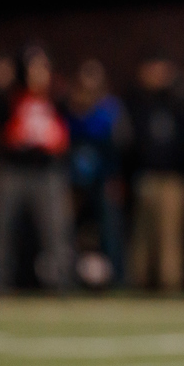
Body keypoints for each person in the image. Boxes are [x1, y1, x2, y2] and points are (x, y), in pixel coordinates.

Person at [0, 43, 74, 293]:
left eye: (42, 65)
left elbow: (70, 119)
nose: (37, 71)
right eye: (32, 66)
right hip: (13, 170)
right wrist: (0, 85)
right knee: (1, 230)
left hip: (47, 170)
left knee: (56, 230)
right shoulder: (12, 96)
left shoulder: (55, 95)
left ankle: (63, 282)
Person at [125, 51, 184, 292]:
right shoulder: (136, 102)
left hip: (173, 179)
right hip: (145, 177)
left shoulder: (182, 101)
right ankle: (139, 285)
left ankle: (171, 287)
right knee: (142, 238)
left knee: (171, 238)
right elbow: (128, 143)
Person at [65, 59, 129, 287]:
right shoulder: (70, 108)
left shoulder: (110, 109)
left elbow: (120, 145)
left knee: (110, 230)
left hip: (103, 178)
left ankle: (118, 280)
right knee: (67, 229)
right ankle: (67, 278)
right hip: (74, 180)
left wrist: (115, 177)